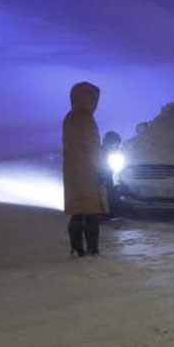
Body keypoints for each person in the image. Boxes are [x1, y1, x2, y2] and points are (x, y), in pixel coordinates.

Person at [63, 81, 109, 256]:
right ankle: (92, 249)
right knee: (91, 213)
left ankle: (76, 247)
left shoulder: (70, 117)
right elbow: (91, 149)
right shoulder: (85, 119)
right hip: (88, 173)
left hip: (74, 173)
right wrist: (100, 170)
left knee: (78, 211)